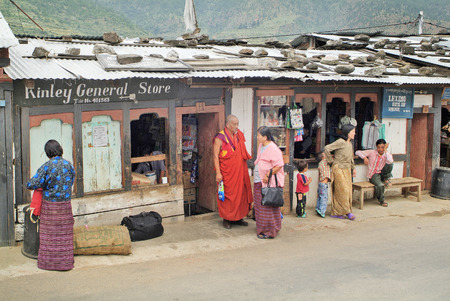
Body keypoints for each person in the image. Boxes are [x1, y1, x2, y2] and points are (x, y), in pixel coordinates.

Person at [26, 140, 76, 271]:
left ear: (48, 152)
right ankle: (65, 263)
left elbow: (31, 184)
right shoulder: (69, 165)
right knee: (64, 236)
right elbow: (71, 181)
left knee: (49, 236)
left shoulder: (46, 166)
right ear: (60, 149)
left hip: (50, 208)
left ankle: (48, 264)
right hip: (65, 207)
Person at [213, 115, 253, 229]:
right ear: (227, 125)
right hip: (227, 173)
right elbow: (215, 156)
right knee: (228, 195)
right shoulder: (219, 138)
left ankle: (239, 217)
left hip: (239, 171)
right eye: (234, 124)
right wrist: (218, 173)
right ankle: (227, 219)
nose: (237, 126)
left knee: (240, 194)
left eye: (237, 124)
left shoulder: (238, 135)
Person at [253, 126, 285, 239]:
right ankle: (263, 227)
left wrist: (268, 174)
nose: (257, 137)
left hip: (267, 181)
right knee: (260, 205)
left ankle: (270, 231)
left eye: (259, 135)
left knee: (268, 206)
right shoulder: (261, 145)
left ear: (265, 137)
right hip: (259, 180)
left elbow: (279, 165)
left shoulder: (273, 148)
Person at [324, 124, 357, 221]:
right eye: (353, 131)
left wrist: (353, 168)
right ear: (348, 133)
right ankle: (348, 212)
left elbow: (350, 157)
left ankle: (337, 212)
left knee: (344, 192)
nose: (354, 133)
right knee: (344, 191)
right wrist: (331, 161)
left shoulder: (349, 144)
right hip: (338, 169)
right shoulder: (340, 142)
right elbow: (327, 148)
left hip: (346, 169)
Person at [355, 139, 394, 207]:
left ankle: (386, 178)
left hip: (382, 173)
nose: (380, 149)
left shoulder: (386, 154)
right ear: (376, 147)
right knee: (380, 185)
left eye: (382, 147)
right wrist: (364, 158)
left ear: (385, 147)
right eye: (378, 147)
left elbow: (390, 161)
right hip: (373, 174)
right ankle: (381, 200)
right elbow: (357, 152)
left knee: (390, 164)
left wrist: (385, 150)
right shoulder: (372, 152)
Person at [316, 151, 331, 218]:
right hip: (324, 184)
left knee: (320, 197)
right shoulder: (325, 162)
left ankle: (318, 208)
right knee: (324, 198)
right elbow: (330, 159)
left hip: (320, 183)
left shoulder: (320, 164)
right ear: (323, 157)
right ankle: (322, 211)